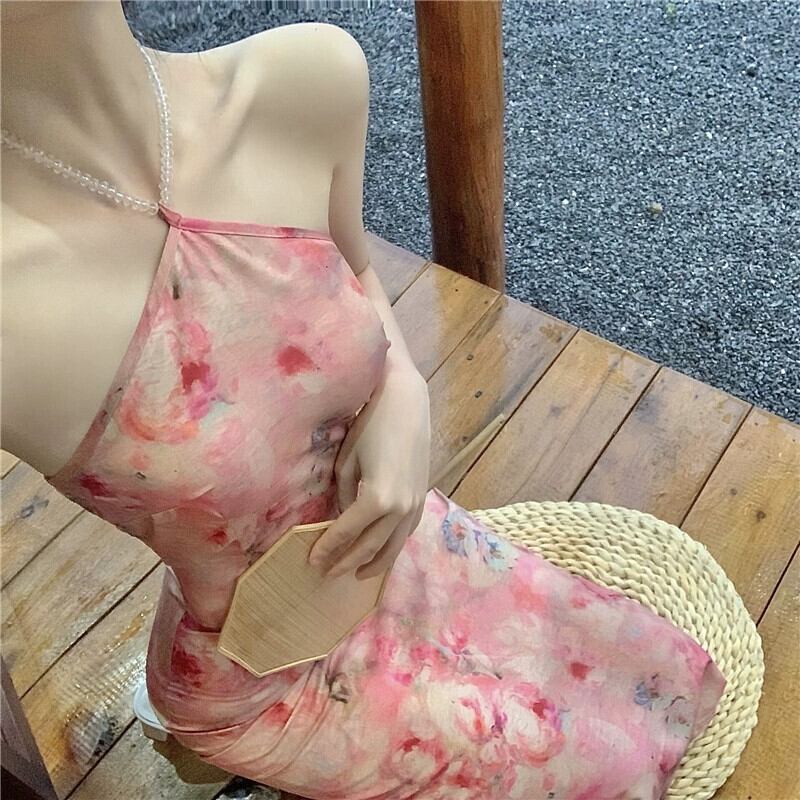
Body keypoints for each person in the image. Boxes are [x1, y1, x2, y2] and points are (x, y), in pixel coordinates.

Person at [1, 3, 727, 798]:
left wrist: (403, 385)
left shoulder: (301, 81)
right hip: (264, 672)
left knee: (636, 670)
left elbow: (354, 269)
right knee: (593, 767)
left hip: (392, 542)